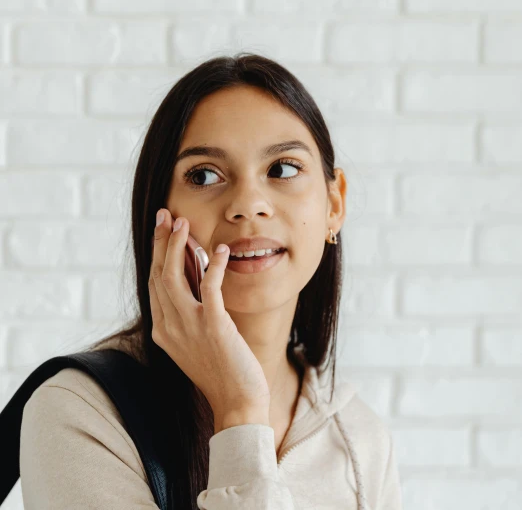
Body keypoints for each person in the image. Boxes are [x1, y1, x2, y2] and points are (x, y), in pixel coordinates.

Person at [19, 52, 402, 509]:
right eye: (204, 175)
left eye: (282, 168)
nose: (248, 204)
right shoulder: (80, 412)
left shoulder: (360, 442)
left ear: (334, 205)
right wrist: (239, 411)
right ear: (159, 214)